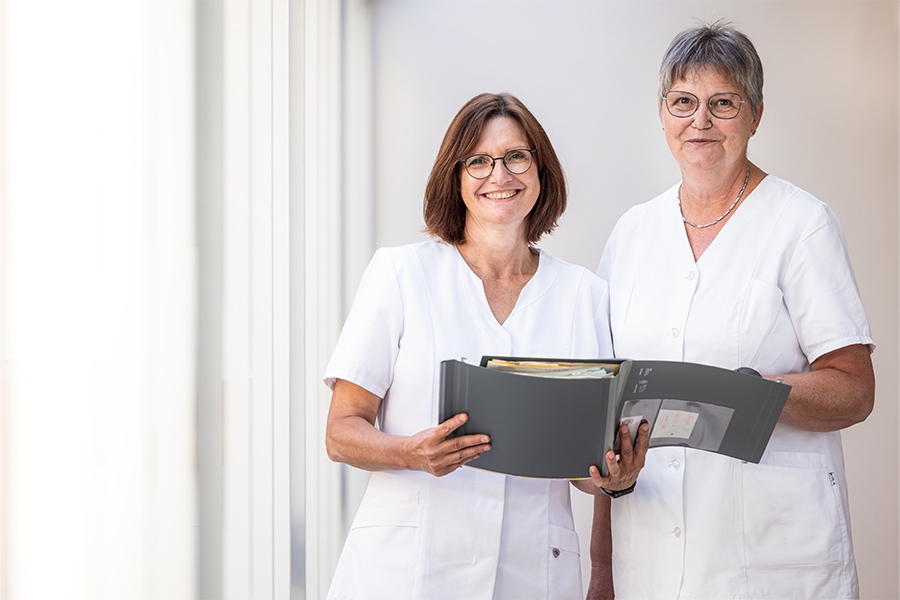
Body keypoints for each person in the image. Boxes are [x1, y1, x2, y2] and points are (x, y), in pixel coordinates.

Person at [588, 21, 875, 600]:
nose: (701, 121)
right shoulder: (632, 233)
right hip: (647, 552)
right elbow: (606, 405)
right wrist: (601, 569)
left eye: (723, 103)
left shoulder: (801, 224)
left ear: (755, 115)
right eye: (683, 103)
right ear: (663, 114)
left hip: (771, 556)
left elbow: (854, 391)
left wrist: (748, 393)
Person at [324, 92, 649, 600]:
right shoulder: (401, 275)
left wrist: (612, 478)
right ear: (455, 179)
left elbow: (585, 467)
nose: (500, 175)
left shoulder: (585, 295)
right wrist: (412, 453)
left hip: (532, 570)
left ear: (541, 172)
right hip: (409, 571)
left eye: (517, 156)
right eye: (478, 161)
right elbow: (341, 433)